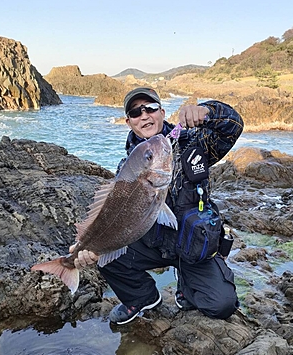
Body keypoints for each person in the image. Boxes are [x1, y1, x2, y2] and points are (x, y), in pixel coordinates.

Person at [75, 87, 244, 325]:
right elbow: (112, 216)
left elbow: (233, 126)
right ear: (129, 122)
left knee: (222, 305)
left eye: (150, 108)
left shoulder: (195, 144)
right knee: (107, 257)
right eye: (135, 112)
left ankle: (186, 283)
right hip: (153, 244)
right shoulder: (126, 169)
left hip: (194, 244)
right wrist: (91, 245)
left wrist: (206, 111)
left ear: (162, 112)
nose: (144, 115)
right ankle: (142, 298)